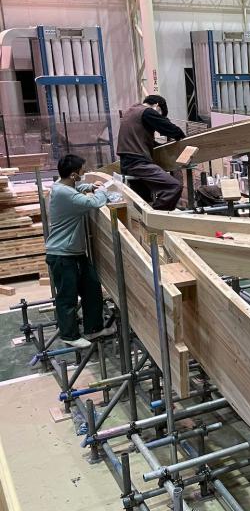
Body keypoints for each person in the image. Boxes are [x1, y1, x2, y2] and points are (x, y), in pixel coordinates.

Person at [45, 155, 114, 349]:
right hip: (62, 254)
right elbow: (95, 203)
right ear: (74, 175)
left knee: (92, 288)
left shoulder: (62, 186)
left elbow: (76, 189)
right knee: (67, 297)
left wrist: (89, 186)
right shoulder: (64, 194)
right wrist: (102, 190)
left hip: (74, 252)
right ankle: (69, 335)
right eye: (82, 171)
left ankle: (94, 328)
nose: (84, 173)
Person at [117, 94, 186, 211]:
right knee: (173, 187)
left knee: (144, 199)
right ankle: (156, 217)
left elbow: (145, 140)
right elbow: (171, 130)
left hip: (127, 163)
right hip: (137, 163)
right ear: (157, 106)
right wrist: (181, 136)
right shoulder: (147, 112)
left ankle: (147, 216)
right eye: (159, 114)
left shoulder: (131, 112)